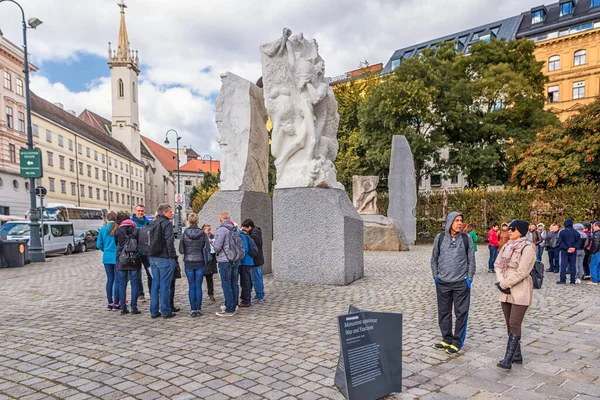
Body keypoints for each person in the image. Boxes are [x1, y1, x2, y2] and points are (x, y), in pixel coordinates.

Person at [430, 212, 476, 355]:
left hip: (460, 283)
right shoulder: (440, 238)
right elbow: (434, 259)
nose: (459, 223)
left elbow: (471, 261)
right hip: (443, 282)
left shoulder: (466, 238)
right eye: (456, 220)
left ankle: (457, 342)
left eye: (461, 220)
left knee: (461, 313)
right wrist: (436, 277)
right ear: (450, 222)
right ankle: (446, 338)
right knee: (444, 312)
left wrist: (468, 278)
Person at [494, 219, 536, 369]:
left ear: (521, 231)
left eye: (513, 228)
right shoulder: (507, 246)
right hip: (504, 289)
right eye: (509, 228)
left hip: (520, 289)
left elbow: (523, 271)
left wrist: (505, 283)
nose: (509, 231)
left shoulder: (528, 248)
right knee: (508, 324)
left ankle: (508, 359)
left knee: (515, 323)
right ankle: (517, 355)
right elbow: (497, 264)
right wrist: (500, 281)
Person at [149, 203, 178, 319]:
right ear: (165, 212)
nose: (172, 214)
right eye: (170, 212)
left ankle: (154, 311)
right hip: (165, 257)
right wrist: (172, 257)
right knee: (165, 286)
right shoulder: (167, 224)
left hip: (153, 257)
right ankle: (166, 311)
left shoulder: (153, 223)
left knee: (155, 285)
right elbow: (169, 241)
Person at [179, 213, 210, 317]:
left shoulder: (184, 234)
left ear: (188, 221)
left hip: (188, 262)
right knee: (198, 286)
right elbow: (208, 248)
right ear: (197, 221)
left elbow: (181, 250)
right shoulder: (202, 233)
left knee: (191, 286)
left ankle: (193, 309)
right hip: (200, 261)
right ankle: (199, 308)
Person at [213, 211, 240, 317]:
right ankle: (234, 304)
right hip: (235, 259)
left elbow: (217, 247)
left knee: (226, 283)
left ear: (221, 219)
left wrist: (213, 243)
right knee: (234, 283)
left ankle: (229, 309)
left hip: (225, 260)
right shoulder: (235, 229)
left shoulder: (222, 229)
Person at [114, 212, 142, 315]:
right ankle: (134, 307)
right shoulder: (136, 230)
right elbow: (140, 244)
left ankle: (123, 308)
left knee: (122, 284)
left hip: (122, 260)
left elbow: (116, 244)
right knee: (135, 284)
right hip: (134, 260)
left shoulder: (117, 231)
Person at [97, 212, 120, 311]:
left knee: (109, 280)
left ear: (107, 219)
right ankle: (116, 303)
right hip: (117, 258)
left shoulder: (103, 229)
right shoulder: (118, 229)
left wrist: (105, 250)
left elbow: (99, 245)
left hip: (107, 258)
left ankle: (110, 302)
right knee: (117, 280)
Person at [131, 204, 152, 303]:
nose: (140, 213)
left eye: (142, 211)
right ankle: (140, 294)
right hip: (135, 252)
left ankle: (152, 292)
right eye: (138, 211)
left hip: (147, 252)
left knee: (150, 273)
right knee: (137, 274)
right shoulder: (131, 223)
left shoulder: (148, 223)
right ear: (135, 211)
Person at [241, 219, 265, 303]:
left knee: (256, 279)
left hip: (256, 260)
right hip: (258, 259)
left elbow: (251, 247)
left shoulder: (254, 236)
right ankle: (259, 295)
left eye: (245, 228)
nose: (244, 229)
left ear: (250, 227)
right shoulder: (255, 233)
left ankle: (259, 296)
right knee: (257, 278)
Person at [557, 218, 581, 285]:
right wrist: (574, 248)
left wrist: (567, 248)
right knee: (573, 266)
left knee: (563, 265)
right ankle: (572, 280)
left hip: (564, 251)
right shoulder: (576, 232)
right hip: (573, 251)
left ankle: (563, 280)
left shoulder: (562, 232)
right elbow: (579, 242)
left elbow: (560, 242)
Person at [238, 229, 255, 308]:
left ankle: (246, 300)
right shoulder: (243, 235)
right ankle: (246, 297)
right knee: (246, 280)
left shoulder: (241, 236)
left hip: (245, 262)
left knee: (245, 281)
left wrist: (239, 257)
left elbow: (245, 249)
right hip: (247, 261)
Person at [202, 224, 217, 302]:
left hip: (210, 260)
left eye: (210, 230)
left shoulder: (212, 236)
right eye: (208, 230)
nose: (209, 232)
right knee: (200, 279)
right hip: (203, 260)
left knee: (209, 279)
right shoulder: (201, 236)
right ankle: (199, 295)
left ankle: (211, 294)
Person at [587, 221, 600, 285]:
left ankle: (594, 280)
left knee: (593, 265)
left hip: (597, 252)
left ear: (597, 226)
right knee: (598, 266)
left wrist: (592, 252)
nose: (593, 227)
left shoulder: (597, 234)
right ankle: (598, 279)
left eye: (594, 226)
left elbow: (596, 244)